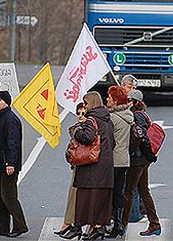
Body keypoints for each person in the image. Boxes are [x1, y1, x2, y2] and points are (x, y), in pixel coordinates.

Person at [63, 91, 115, 241]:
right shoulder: (107, 119)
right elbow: (113, 142)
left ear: (90, 103)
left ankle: (79, 227)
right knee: (100, 198)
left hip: (92, 166)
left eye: (85, 103)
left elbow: (88, 137)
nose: (84, 107)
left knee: (85, 197)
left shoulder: (91, 119)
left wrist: (76, 130)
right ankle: (98, 228)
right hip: (106, 165)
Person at [0, 91, 28, 238]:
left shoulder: (10, 120)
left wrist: (11, 163)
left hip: (7, 165)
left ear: (7, 103)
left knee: (8, 196)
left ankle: (20, 226)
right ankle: (1, 226)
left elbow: (12, 144)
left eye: (0, 99)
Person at [122, 89, 161, 237]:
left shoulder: (137, 116)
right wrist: (149, 157)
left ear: (135, 102)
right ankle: (154, 224)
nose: (127, 102)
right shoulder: (142, 114)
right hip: (142, 159)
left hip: (137, 160)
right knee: (144, 191)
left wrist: (149, 155)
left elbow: (142, 138)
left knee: (128, 192)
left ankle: (122, 225)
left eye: (129, 100)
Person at [55, 102, 86, 238]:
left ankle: (73, 224)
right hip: (77, 165)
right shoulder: (76, 128)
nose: (80, 116)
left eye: (83, 113)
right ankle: (69, 223)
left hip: (87, 165)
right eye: (78, 113)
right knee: (73, 194)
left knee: (82, 196)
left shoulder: (86, 129)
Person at [106, 85, 133, 238]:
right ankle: (120, 224)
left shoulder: (113, 118)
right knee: (119, 192)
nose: (107, 99)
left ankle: (115, 224)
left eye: (109, 97)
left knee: (112, 194)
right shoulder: (127, 115)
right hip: (124, 159)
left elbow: (109, 141)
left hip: (114, 160)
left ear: (115, 101)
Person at [120, 75, 143, 223]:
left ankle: (133, 215)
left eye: (134, 88)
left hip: (132, 154)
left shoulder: (136, 112)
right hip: (131, 153)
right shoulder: (122, 104)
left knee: (131, 186)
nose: (131, 90)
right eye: (129, 87)